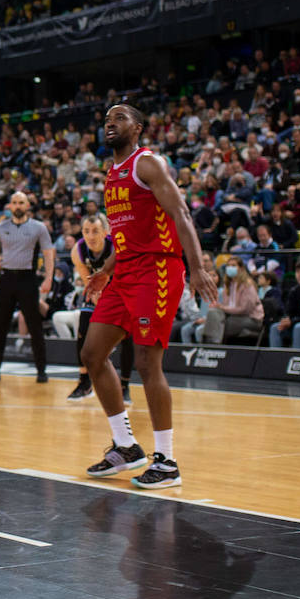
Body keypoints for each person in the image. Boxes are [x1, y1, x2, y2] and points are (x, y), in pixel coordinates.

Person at [82, 104, 216, 490]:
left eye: (119, 119)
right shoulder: (111, 173)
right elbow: (125, 236)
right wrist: (106, 270)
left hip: (157, 269)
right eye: (106, 119)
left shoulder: (148, 164)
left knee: (146, 362)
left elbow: (182, 215)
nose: (110, 124)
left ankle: (167, 460)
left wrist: (198, 266)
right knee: (92, 354)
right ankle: (126, 447)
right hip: (124, 271)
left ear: (137, 128)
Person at [0, 192, 56, 382]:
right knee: (0, 326)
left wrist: (48, 278)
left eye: (21, 202)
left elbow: (48, 253)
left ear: (28, 205)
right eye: (14, 202)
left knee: (34, 326)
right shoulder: (1, 227)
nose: (18, 205)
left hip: (28, 279)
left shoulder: (38, 227)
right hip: (6, 278)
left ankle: (41, 371)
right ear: (10, 206)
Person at [64, 214, 134, 405]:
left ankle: (124, 386)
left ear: (106, 232)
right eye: (86, 231)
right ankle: (85, 383)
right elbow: (88, 282)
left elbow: (125, 278)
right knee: (83, 326)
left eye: (95, 231)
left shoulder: (116, 247)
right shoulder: (77, 251)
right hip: (98, 291)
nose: (90, 235)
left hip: (122, 290)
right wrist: (98, 298)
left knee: (127, 335)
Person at [202, 257, 264, 344]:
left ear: (241, 268)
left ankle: (217, 346)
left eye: (233, 265)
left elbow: (245, 309)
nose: (230, 268)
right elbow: (226, 306)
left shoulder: (247, 285)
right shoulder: (228, 285)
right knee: (213, 312)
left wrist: (222, 308)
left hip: (251, 319)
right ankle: (210, 344)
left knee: (226, 323)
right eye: (228, 265)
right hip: (233, 316)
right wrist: (219, 307)